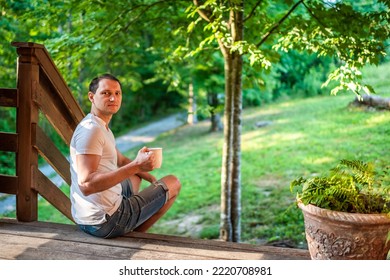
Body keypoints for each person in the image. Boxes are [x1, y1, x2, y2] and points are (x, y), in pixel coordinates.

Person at [69, 73, 181, 238]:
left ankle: (130, 220)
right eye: (106, 93)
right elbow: (86, 185)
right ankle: (132, 235)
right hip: (105, 222)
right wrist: (136, 165)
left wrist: (149, 176)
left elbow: (120, 160)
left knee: (135, 177)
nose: (113, 98)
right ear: (91, 97)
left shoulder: (99, 125)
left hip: (88, 218)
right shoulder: (91, 131)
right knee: (173, 183)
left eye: (117, 93)